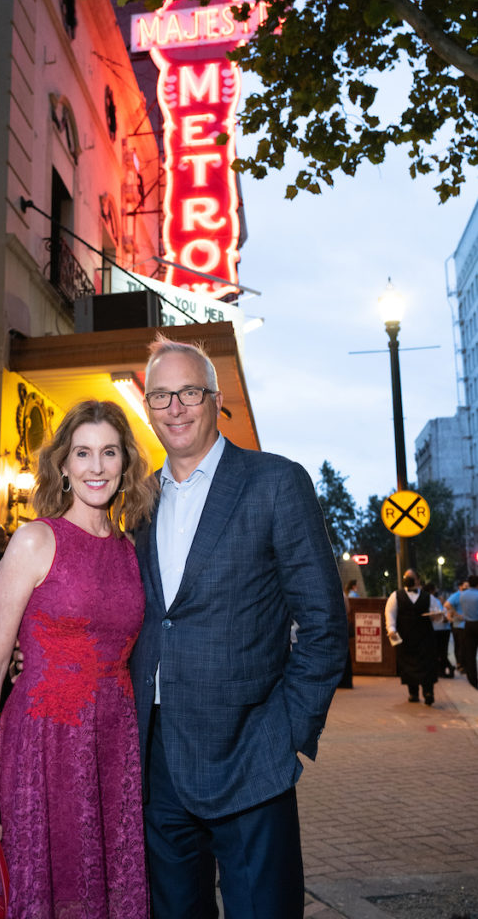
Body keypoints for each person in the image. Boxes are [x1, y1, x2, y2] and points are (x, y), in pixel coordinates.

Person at [130, 336, 348, 919]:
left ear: (215, 398)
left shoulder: (275, 482)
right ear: (146, 406)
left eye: (189, 392)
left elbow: (324, 625)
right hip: (160, 763)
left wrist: (288, 732)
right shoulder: (140, 501)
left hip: (251, 758)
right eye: (160, 396)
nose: (174, 407)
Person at [0, 401, 156, 918]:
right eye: (83, 453)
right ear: (64, 466)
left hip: (112, 746)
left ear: (125, 465)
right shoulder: (35, 540)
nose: (96, 467)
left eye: (109, 453)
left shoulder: (129, 551)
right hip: (40, 747)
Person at [384, 568, 438, 706]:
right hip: (406, 636)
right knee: (408, 665)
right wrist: (391, 629)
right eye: (406, 576)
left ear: (418, 580)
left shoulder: (428, 597)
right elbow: (390, 613)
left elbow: (437, 613)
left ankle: (428, 692)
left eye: (411, 576)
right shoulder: (396, 596)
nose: (407, 579)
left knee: (427, 664)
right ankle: (413, 693)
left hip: (425, 636)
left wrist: (438, 617)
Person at [444, 575, 478, 689]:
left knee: (470, 652)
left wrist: (457, 615)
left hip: (467, 624)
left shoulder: (462, 595)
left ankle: (472, 677)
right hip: (476, 622)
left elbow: (448, 605)